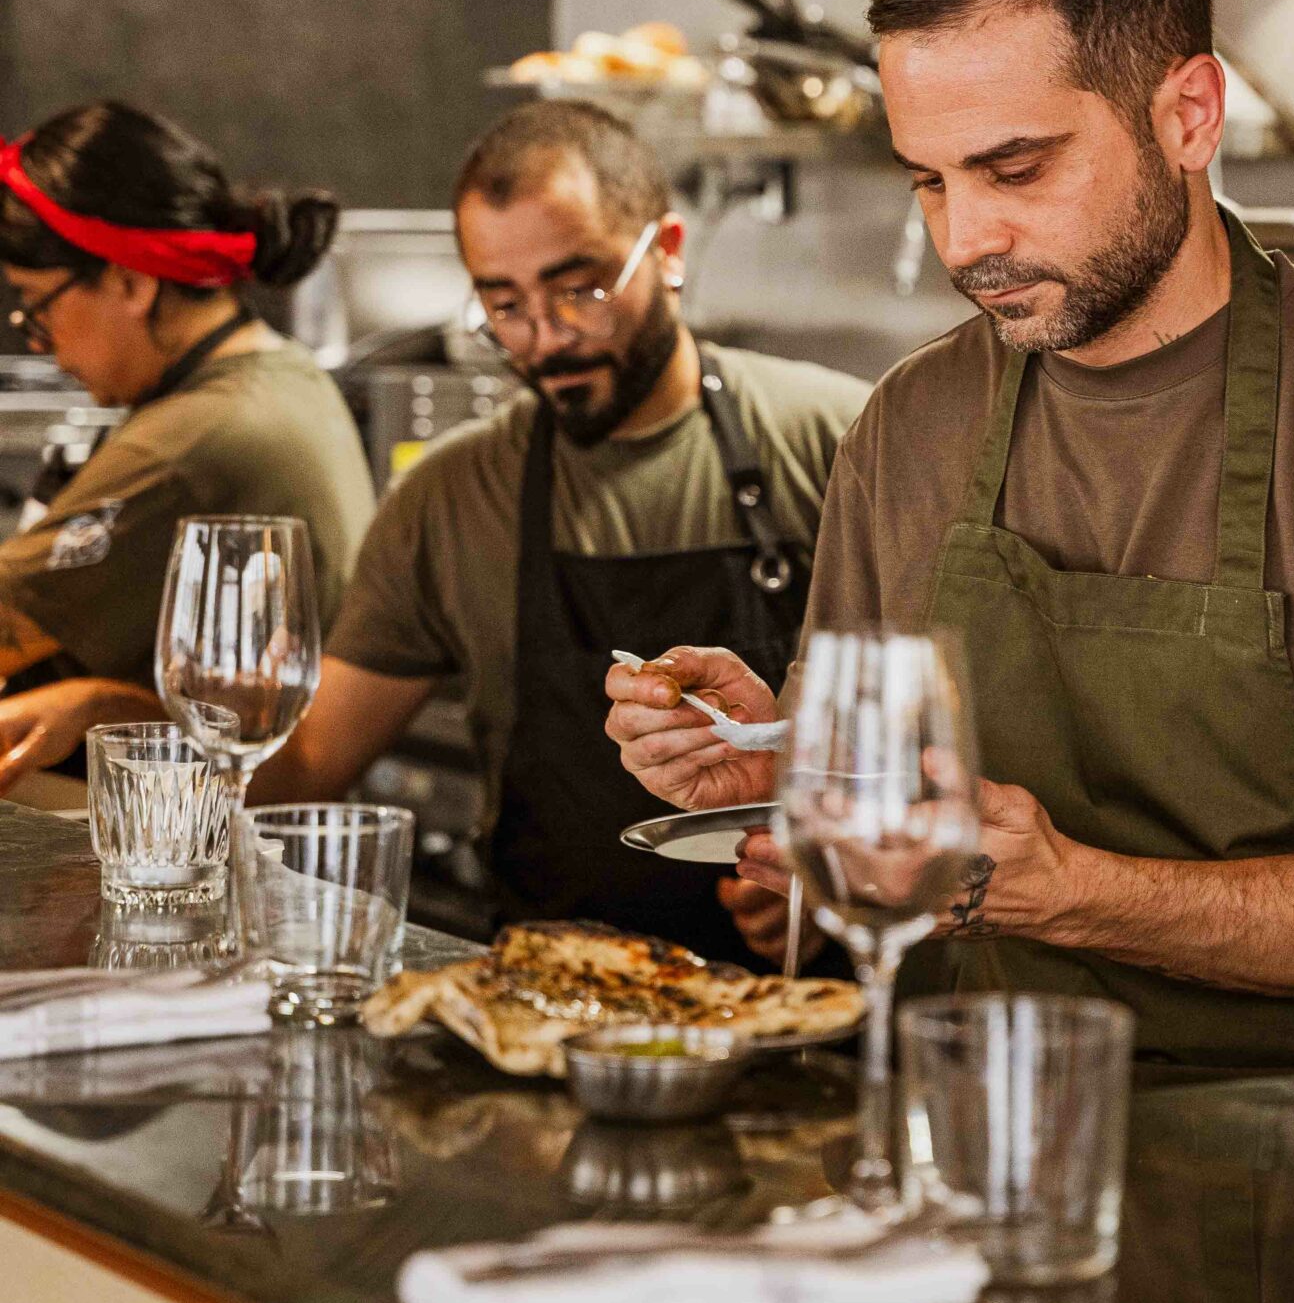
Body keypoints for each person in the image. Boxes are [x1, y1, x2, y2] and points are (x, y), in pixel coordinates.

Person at [608, 0, 1294, 1071]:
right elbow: (866, 843)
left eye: (1017, 168)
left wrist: (1073, 890)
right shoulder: (909, 425)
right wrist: (774, 766)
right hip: (967, 1132)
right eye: (929, 180)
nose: (966, 241)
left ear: (1189, 116)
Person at [252, 100, 867, 962]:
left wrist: (838, 872)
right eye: (504, 305)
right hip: (546, 997)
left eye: (579, 290)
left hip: (808, 1004)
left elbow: (945, 732)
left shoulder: (846, 441)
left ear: (668, 251)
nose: (545, 339)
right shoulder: (449, 497)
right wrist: (154, 756)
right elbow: (311, 760)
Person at [0, 101, 374, 794]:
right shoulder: (277, 371)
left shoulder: (198, 436)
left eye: (37, 303)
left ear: (130, 281)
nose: (38, 339)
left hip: (208, 827)